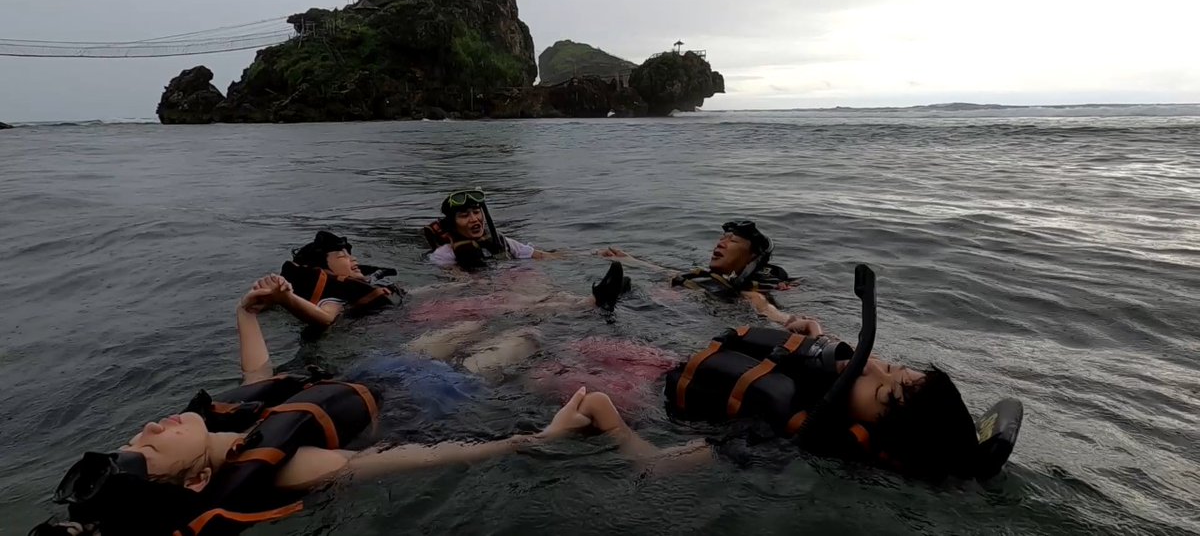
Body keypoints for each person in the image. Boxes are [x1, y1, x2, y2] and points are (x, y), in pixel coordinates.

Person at [32, 275, 599, 536]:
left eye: (136, 435)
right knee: (520, 340)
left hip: (372, 372)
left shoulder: (222, 422)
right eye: (148, 448)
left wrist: (248, 313)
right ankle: (585, 310)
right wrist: (537, 438)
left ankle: (557, 298)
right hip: (431, 394)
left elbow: (260, 377)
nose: (149, 426)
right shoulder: (282, 469)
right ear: (198, 482)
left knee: (473, 320)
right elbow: (412, 460)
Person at [573, 322, 986, 481]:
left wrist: (612, 424)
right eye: (893, 366)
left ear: (867, 433)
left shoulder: (778, 437)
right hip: (653, 364)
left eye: (882, 391)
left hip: (633, 397)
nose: (872, 367)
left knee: (534, 352)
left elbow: (653, 467)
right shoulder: (819, 391)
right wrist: (812, 332)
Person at [599, 220, 801, 327]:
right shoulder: (700, 276)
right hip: (653, 308)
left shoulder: (749, 294)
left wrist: (798, 324)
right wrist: (629, 259)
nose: (721, 243)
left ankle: (605, 303)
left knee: (605, 302)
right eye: (722, 238)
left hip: (671, 315)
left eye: (733, 241)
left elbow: (774, 313)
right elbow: (665, 272)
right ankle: (603, 302)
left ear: (751, 257)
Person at [277, 230, 405, 327]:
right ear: (323, 271)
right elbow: (326, 316)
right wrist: (286, 298)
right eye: (342, 257)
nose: (353, 259)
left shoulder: (360, 286)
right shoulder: (333, 296)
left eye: (350, 255)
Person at [424, 188, 558, 268]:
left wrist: (576, 258)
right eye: (465, 215)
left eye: (477, 212)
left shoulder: (501, 242)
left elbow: (540, 255)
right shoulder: (444, 255)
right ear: (452, 224)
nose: (474, 219)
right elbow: (454, 279)